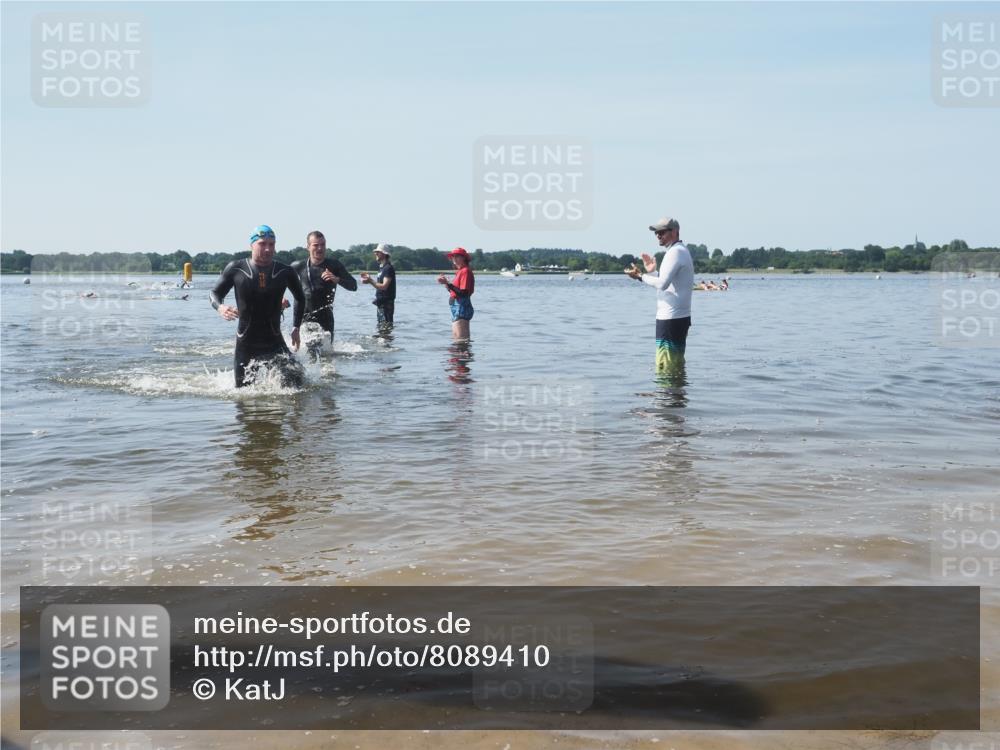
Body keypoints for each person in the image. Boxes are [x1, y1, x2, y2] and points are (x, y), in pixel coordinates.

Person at [210, 225, 306, 388]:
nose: (268, 249)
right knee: (242, 396)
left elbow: (300, 297)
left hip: (274, 341)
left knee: (299, 384)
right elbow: (214, 293)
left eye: (271, 244)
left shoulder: (285, 271)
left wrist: (296, 327)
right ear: (252, 245)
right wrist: (221, 307)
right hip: (246, 343)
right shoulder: (236, 268)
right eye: (262, 244)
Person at [625, 216, 694, 374]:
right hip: (677, 318)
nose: (658, 235)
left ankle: (666, 398)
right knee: (674, 365)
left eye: (662, 232)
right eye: (656, 233)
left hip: (670, 318)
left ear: (675, 232)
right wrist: (652, 272)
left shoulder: (675, 252)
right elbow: (669, 283)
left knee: (665, 366)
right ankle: (675, 397)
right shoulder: (679, 251)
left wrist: (641, 276)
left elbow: (662, 284)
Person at [291, 230, 357, 356]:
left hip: (326, 318)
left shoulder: (334, 265)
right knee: (310, 354)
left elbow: (353, 286)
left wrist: (337, 279)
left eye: (323, 245)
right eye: (316, 245)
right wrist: (281, 299)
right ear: (308, 247)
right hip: (305, 317)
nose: (320, 248)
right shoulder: (298, 266)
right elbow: (280, 284)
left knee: (326, 356)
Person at [437, 247, 474, 340]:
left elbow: (463, 293)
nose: (454, 258)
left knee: (461, 340)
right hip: (456, 306)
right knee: (457, 339)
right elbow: (455, 291)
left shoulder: (465, 271)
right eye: (452, 257)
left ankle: (463, 354)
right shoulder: (460, 272)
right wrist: (446, 284)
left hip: (461, 306)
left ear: (464, 258)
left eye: (457, 256)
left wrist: (448, 284)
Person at [359, 244, 396, 331]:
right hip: (381, 303)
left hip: (386, 304)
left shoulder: (388, 268)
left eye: (378, 252)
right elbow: (379, 286)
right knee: (382, 329)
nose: (375, 253)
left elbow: (384, 286)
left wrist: (370, 280)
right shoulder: (381, 268)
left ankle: (386, 344)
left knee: (385, 330)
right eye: (375, 252)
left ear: (384, 254)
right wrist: (369, 280)